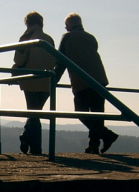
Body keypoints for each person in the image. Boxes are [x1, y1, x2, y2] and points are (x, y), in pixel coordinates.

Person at [55, 13, 119, 154]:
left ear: (69, 25)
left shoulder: (68, 37)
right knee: (97, 114)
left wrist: (53, 81)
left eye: (66, 26)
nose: (65, 28)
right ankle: (94, 145)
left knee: (81, 113)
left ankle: (106, 136)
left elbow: (60, 61)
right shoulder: (90, 37)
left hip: (82, 80)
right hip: (99, 80)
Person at [12, 11, 57, 155]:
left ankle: (35, 148)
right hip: (47, 81)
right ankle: (26, 138)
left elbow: (19, 59)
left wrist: (15, 71)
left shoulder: (26, 37)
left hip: (30, 80)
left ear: (28, 23)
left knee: (34, 114)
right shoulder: (49, 39)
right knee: (35, 112)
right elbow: (55, 59)